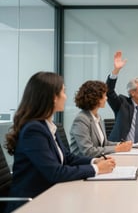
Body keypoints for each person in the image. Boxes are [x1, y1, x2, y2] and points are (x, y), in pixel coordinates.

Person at [4, 72, 115, 213]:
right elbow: (55, 173)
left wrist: (95, 161)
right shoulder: (34, 130)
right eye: (63, 92)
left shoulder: (47, 125)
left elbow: (67, 158)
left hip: (49, 195)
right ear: (52, 97)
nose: (65, 97)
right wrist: (97, 169)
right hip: (31, 204)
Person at [70, 80, 133, 157]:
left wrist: (120, 144)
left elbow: (104, 143)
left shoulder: (98, 117)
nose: (106, 98)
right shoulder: (81, 119)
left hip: (98, 160)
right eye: (104, 96)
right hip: (83, 164)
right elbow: (88, 151)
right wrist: (117, 148)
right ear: (96, 98)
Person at [106, 51, 138, 142]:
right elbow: (109, 91)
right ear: (132, 92)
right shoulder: (122, 103)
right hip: (122, 149)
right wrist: (116, 71)